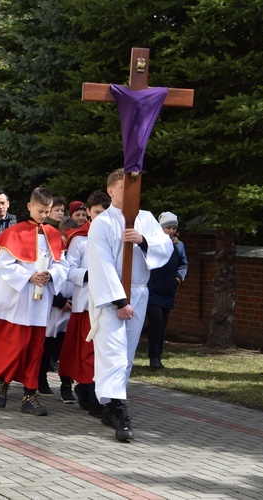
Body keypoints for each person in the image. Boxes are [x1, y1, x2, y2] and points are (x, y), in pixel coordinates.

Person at [87, 168, 172, 441]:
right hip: (111, 297)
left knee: (126, 353)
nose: (132, 194)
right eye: (125, 189)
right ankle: (118, 409)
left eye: (134, 189)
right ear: (111, 191)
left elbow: (165, 247)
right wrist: (120, 301)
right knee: (111, 349)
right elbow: (102, 265)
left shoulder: (145, 219)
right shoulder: (102, 223)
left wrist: (143, 240)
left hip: (139, 291)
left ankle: (109, 404)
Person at [0, 187, 69, 416]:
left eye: (47, 211)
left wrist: (51, 275)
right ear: (30, 207)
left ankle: (30, 395)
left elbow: (63, 264)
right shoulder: (14, 232)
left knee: (36, 349)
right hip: (19, 301)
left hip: (41, 300)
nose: (44, 215)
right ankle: (2, 381)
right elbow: (5, 264)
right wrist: (29, 276)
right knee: (15, 346)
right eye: (40, 210)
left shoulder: (54, 234)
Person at [58, 191, 110, 417]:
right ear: (88, 213)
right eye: (96, 212)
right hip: (86, 304)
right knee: (87, 352)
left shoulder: (115, 237)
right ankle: (90, 391)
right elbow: (68, 269)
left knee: (104, 353)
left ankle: (95, 391)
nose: (100, 217)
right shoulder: (79, 238)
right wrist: (89, 274)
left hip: (109, 304)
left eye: (104, 213)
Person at [39, 216, 77, 402]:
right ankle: (41, 379)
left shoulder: (79, 252)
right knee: (46, 346)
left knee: (66, 348)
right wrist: (59, 300)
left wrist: (71, 300)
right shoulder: (53, 251)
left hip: (72, 307)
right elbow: (48, 275)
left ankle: (66, 384)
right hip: (53, 306)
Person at [146, 211, 188, 369]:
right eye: (167, 228)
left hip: (168, 289)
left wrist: (178, 278)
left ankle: (159, 354)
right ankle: (153, 356)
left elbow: (183, 263)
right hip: (153, 289)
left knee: (163, 323)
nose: (171, 231)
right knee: (156, 321)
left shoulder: (179, 245)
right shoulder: (153, 242)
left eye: (173, 228)